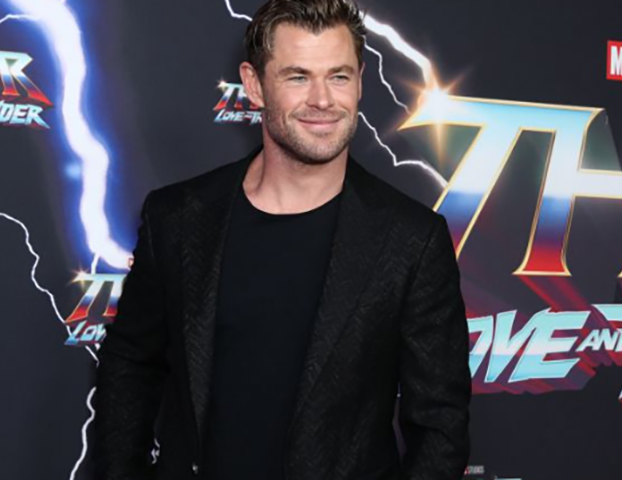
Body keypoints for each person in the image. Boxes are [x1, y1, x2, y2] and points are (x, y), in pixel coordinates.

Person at [93, 1, 471, 479]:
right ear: (254, 85)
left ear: (360, 81)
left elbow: (440, 424)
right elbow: (130, 363)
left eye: (338, 76)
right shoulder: (177, 218)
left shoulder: (412, 240)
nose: (322, 100)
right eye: (298, 77)